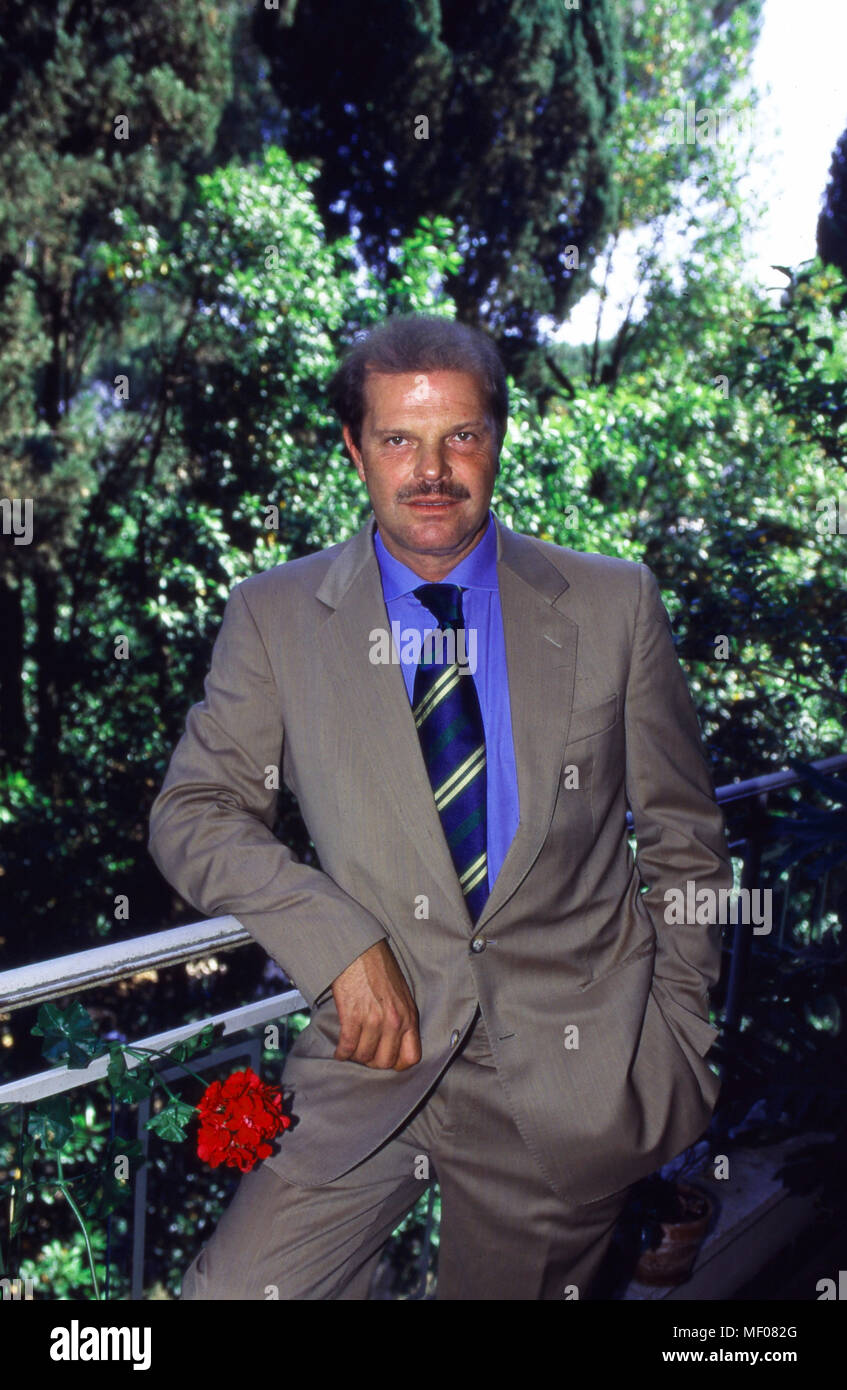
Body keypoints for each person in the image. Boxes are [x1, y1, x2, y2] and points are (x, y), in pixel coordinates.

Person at [148, 313, 733, 1301]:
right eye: (398, 439)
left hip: (568, 1082)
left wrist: (680, 1038)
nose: (432, 469)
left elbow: (684, 835)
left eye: (460, 435)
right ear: (353, 447)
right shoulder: (276, 614)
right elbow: (192, 809)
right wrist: (334, 938)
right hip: (370, 1064)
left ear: (497, 437)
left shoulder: (611, 604)